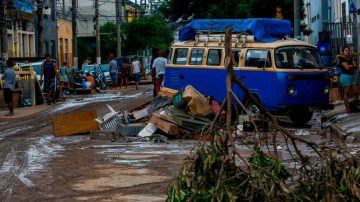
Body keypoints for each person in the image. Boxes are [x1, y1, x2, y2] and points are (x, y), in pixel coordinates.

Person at [339, 47, 358, 113]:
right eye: (346, 50)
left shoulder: (350, 58)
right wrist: (352, 65)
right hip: (345, 76)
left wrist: (351, 66)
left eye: (348, 50)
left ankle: (355, 106)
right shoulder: (342, 59)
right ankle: (347, 108)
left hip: (352, 76)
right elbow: (347, 68)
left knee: (356, 92)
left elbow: (356, 67)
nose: (348, 51)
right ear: (343, 52)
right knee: (346, 92)